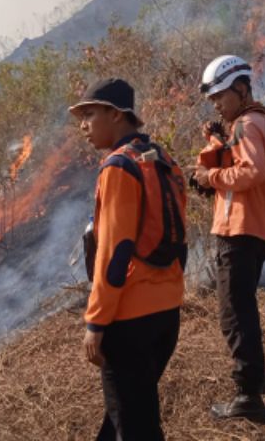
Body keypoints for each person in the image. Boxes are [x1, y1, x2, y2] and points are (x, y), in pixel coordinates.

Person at [70, 77, 186, 441]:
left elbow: (114, 252)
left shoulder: (118, 166)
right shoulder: (162, 159)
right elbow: (180, 236)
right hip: (167, 314)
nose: (83, 125)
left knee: (137, 427)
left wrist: (96, 321)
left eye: (89, 114)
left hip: (130, 320)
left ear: (117, 115)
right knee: (128, 410)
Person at [192, 55, 265, 424]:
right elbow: (241, 163)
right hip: (252, 228)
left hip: (240, 230)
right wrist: (216, 144)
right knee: (241, 308)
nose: (216, 103)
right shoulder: (255, 123)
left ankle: (248, 395)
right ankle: (255, 377)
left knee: (234, 314)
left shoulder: (246, 124)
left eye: (221, 96)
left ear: (241, 89)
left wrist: (208, 178)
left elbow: (251, 170)